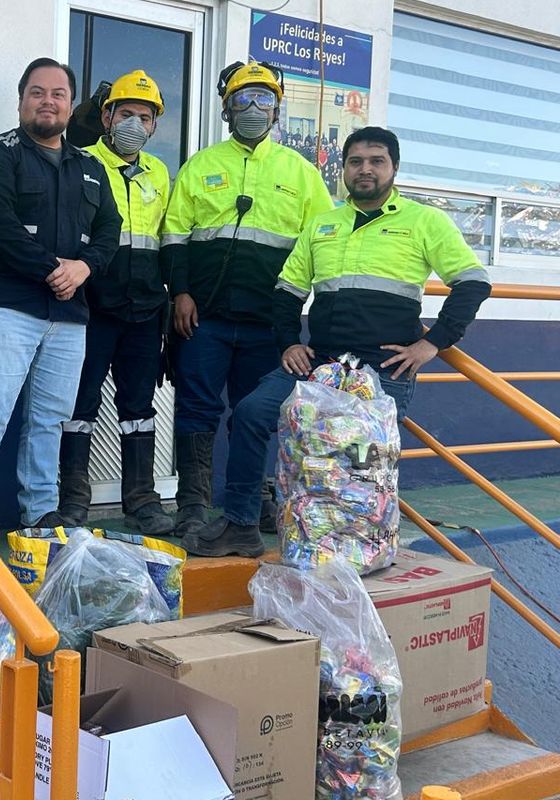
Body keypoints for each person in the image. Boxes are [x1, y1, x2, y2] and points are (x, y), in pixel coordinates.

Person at [185, 127, 492, 557]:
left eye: (376, 161)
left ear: (394, 168)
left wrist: (432, 344)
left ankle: (358, 546)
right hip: (319, 361)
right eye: (355, 162)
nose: (365, 170)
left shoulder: (425, 221)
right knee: (252, 413)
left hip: (384, 367)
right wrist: (290, 343)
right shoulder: (323, 223)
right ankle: (240, 523)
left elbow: (473, 282)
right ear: (343, 169)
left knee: (361, 458)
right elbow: (287, 291)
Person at [162, 60, 333, 540]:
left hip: (268, 324)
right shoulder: (201, 165)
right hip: (205, 319)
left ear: (278, 110)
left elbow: (323, 244)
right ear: (226, 109)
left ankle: (252, 500)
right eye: (243, 100)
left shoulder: (301, 174)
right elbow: (174, 234)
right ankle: (193, 504)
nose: (253, 109)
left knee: (256, 413)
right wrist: (181, 293)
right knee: (196, 411)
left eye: (264, 100)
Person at [0, 58, 121, 528]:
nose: (48, 101)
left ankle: (41, 512)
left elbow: (110, 229)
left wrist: (84, 267)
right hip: (6, 306)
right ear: (22, 100)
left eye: (58, 94)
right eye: (38, 92)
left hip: (69, 316)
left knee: (51, 419)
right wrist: (53, 269)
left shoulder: (89, 165)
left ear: (70, 104)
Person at [57, 70, 174, 535]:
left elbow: (165, 239)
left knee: (139, 407)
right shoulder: (79, 163)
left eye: (144, 117)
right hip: (91, 307)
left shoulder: (161, 173)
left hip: (145, 310)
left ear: (153, 127)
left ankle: (142, 500)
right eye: (125, 113)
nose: (134, 124)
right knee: (78, 407)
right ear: (106, 116)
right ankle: (73, 501)